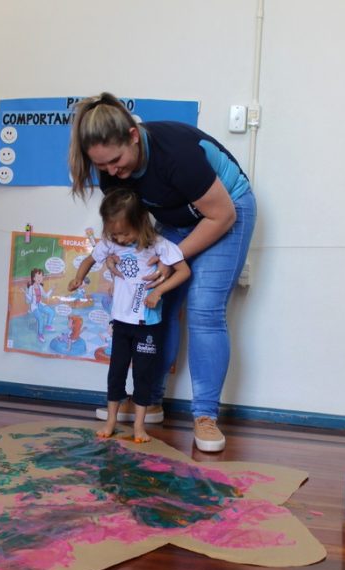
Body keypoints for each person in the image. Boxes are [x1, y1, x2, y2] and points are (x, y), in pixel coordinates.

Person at [68, 92, 257, 452]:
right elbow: (128, 222)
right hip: (178, 217)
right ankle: (148, 399)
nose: (112, 172)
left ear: (133, 136)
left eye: (116, 161)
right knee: (156, 304)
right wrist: (115, 253)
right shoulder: (112, 172)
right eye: (102, 166)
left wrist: (173, 257)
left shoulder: (176, 154)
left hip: (226, 211)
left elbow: (221, 215)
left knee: (204, 309)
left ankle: (205, 416)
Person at [68, 188, 190, 443]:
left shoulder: (159, 246)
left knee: (143, 375)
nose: (120, 239)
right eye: (114, 234)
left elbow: (183, 272)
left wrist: (159, 292)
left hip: (147, 324)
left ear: (141, 222)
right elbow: (89, 261)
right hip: (121, 323)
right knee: (116, 373)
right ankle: (111, 421)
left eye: (125, 233)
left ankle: (139, 426)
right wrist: (78, 278)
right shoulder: (111, 244)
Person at [24, 268, 56, 343]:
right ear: (33, 278)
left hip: (40, 304)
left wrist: (51, 290)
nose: (40, 278)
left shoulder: (40, 287)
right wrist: (25, 293)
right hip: (34, 307)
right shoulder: (31, 288)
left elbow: (46, 296)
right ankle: (40, 334)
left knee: (51, 312)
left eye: (41, 277)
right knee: (40, 319)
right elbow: (30, 300)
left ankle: (48, 325)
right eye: (38, 277)